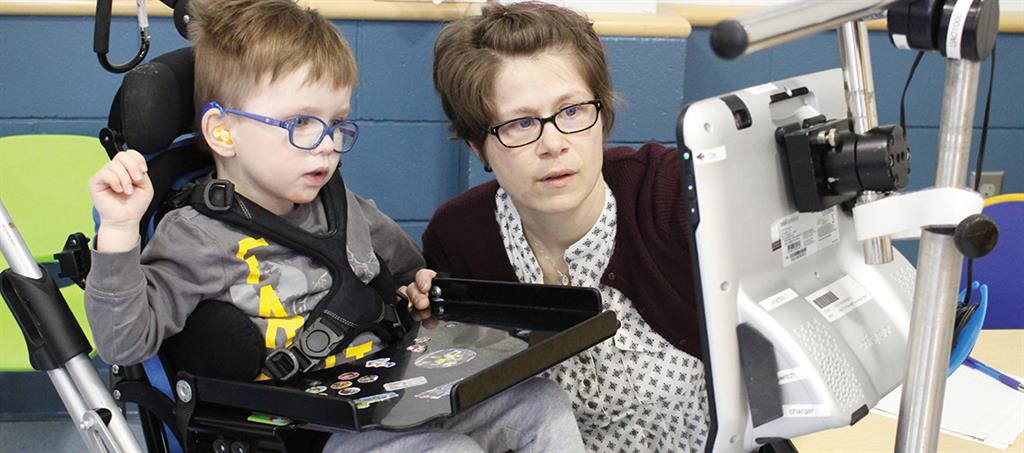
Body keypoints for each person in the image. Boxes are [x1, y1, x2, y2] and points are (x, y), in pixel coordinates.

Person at [84, 1, 584, 451]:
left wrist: (422, 288)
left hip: (389, 396)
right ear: (222, 131)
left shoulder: (344, 207)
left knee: (540, 404)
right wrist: (120, 232)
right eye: (300, 123)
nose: (325, 143)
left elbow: (413, 272)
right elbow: (125, 345)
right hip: (304, 432)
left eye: (335, 122)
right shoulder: (193, 235)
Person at [403, 2, 709, 451]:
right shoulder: (460, 237)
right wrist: (425, 324)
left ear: (602, 115)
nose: (553, 144)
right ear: (477, 147)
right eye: (520, 123)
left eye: (571, 111)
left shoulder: (669, 193)